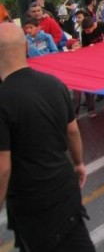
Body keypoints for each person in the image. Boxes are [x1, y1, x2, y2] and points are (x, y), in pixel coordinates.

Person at [0, 22, 95, 251]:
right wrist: (79, 162)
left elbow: (3, 167)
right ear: (25, 47)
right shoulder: (54, 84)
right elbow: (72, 130)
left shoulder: (3, 99)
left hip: (32, 201)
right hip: (64, 189)